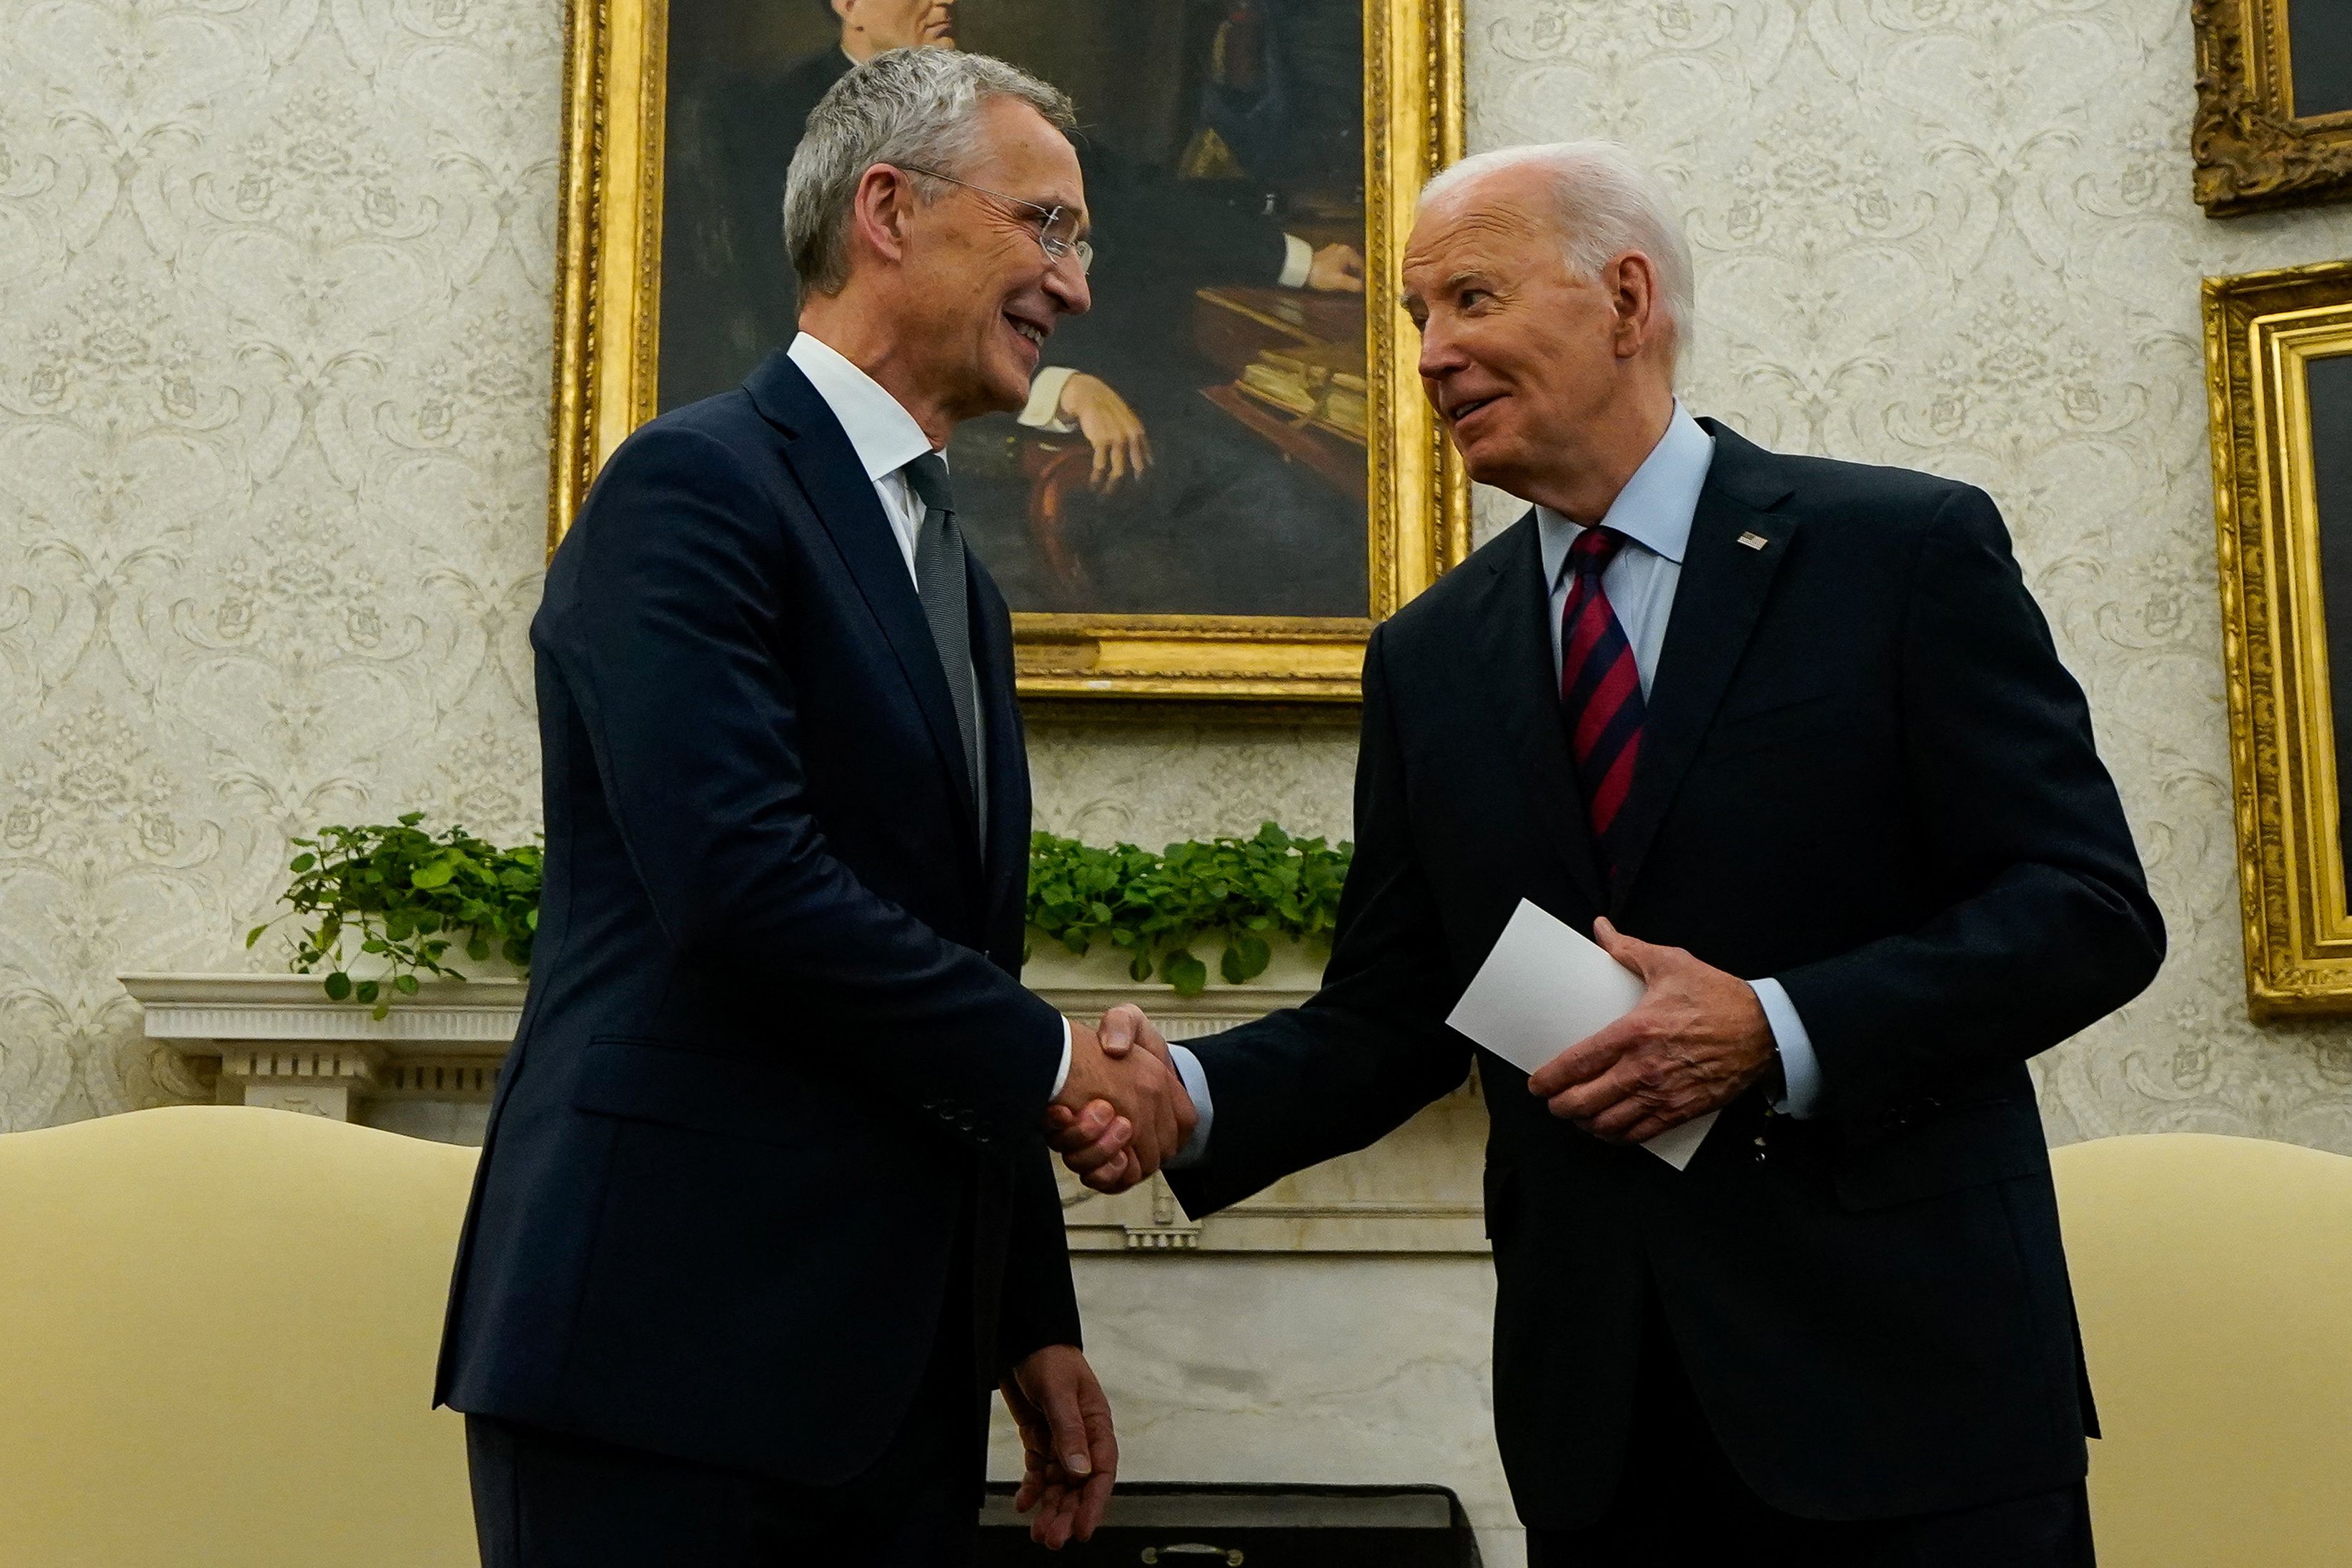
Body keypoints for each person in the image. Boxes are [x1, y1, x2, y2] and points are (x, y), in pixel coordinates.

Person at [1055, 142, 2165, 1565]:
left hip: (1906, 1398)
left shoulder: (1895, 552)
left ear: (1625, 298)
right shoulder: (1429, 655)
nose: (1431, 356)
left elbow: (2083, 908)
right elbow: (1397, 1012)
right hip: (1607, 1428)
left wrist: (1771, 1027)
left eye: (1469, 299)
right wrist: (1183, 1093)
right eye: (1414, 321)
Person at [437, 48, 1195, 1566]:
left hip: (883, 1383)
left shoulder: (956, 577)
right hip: (663, 1357)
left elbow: (948, 965)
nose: (1077, 287)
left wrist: (1027, 1317)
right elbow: (739, 882)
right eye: (1048, 227)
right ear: (890, 210)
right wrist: (1058, 1055)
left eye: (1081, 243)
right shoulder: (693, 486)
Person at [660, 0, 1372, 613]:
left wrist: (1299, 259)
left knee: (1314, 522)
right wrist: (1059, 391)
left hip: (1106, 382)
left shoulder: (997, 105)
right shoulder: (773, 130)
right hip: (940, 440)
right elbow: (828, 332)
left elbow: (1133, 200)